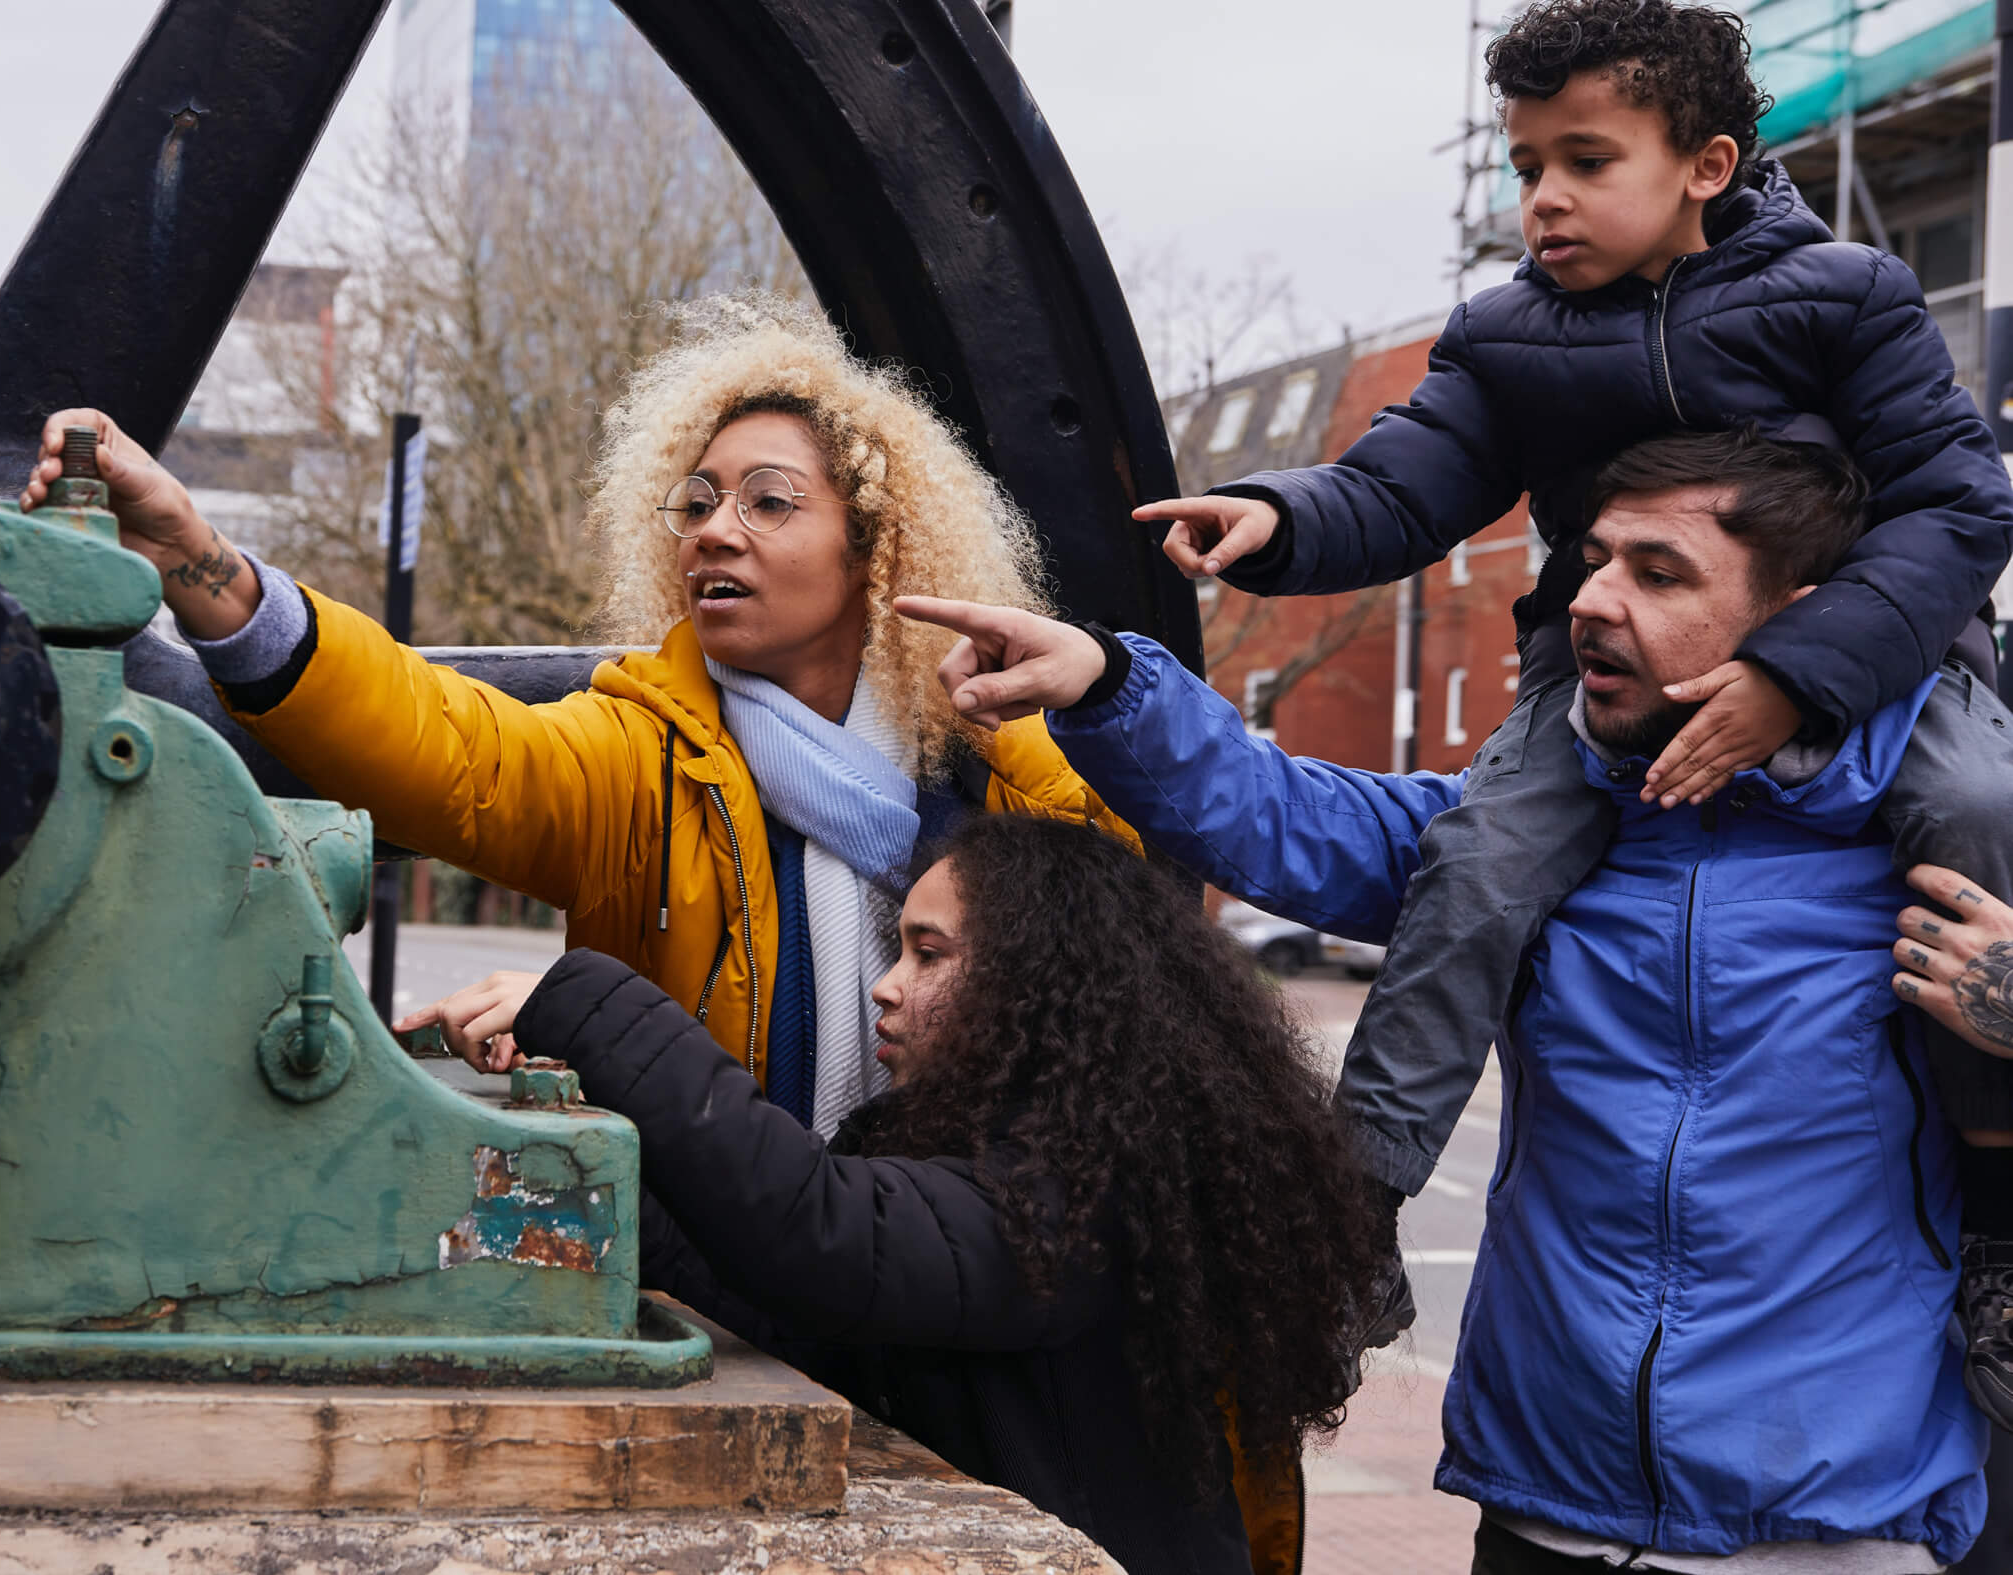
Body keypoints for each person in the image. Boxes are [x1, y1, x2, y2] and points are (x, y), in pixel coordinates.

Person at [899, 428, 1993, 1570]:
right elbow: (1284, 816)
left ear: (1803, 620)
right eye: (1595, 560)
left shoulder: (1936, 863)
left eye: (1657, 573)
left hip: (1832, 1530)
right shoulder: (1524, 839)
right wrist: (1108, 683)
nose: (1591, 602)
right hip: (1542, 1510)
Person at [1131, 0, 2013, 1405]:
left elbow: (1960, 502)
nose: (1544, 197)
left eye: (1586, 159)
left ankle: (2001, 1215)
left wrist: (1794, 676)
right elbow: (1397, 484)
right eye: (1528, 162)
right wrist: (1273, 514)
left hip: (1880, 650)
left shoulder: (1846, 297)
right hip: (1592, 683)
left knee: (1979, 806)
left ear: (1707, 164)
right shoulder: (1508, 337)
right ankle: (1357, 1209)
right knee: (1478, 863)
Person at [18, 295, 1131, 1141]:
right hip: (747, 1309)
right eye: (694, 503)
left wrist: (1064, 713)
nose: (713, 531)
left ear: (876, 545)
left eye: (767, 501)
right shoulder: (640, 753)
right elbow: (440, 742)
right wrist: (195, 562)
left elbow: (1138, 910)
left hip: (975, 1281)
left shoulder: (998, 755)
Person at [397, 813, 1381, 1575]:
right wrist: (533, 1187)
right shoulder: (971, 1156)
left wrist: (587, 1003)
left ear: (1042, 983)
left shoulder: (1084, 1197)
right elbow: (767, 1291)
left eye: (930, 953)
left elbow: (822, 1238)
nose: (885, 983)